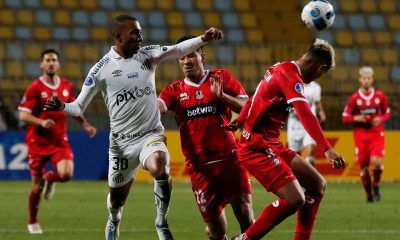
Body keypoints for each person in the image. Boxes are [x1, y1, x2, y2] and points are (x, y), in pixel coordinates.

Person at [44, 15, 223, 240]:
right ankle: (114, 219)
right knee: (117, 200)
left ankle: (160, 221)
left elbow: (178, 49)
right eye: (135, 33)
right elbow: (78, 107)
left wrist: (203, 38)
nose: (140, 37)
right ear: (118, 37)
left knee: (161, 167)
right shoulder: (101, 69)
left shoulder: (148, 55)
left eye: (140, 32)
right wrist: (62, 106)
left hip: (150, 134)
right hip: (121, 144)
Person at [225, 39, 346, 240]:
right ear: (320, 68)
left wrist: (241, 119)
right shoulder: (290, 77)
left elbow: (256, 98)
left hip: (271, 144)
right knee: (295, 198)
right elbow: (306, 113)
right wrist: (327, 149)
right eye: (322, 74)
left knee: (317, 185)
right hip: (256, 147)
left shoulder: (279, 66)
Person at [158, 35, 254, 240]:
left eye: (190, 55)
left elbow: (248, 109)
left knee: (246, 216)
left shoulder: (222, 77)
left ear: (202, 55)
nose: (186, 62)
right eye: (181, 58)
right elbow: (158, 107)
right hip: (200, 168)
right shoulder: (173, 91)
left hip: (231, 160)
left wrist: (222, 97)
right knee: (216, 231)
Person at [18, 49, 97, 234]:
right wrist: (41, 121)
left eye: (54, 60)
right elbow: (23, 115)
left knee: (67, 174)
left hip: (59, 140)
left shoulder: (67, 86)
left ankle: (50, 178)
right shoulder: (35, 88)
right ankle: (33, 221)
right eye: (48, 60)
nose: (51, 63)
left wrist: (85, 124)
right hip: (37, 142)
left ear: (58, 64)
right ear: (42, 64)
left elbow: (72, 108)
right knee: (36, 187)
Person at [342, 66, 390, 203]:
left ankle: (376, 185)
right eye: (364, 78)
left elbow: (387, 112)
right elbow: (345, 116)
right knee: (363, 167)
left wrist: (381, 119)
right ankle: (369, 195)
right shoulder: (354, 98)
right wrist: (356, 118)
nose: (367, 80)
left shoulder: (380, 96)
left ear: (372, 79)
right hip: (361, 135)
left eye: (369, 78)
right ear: (360, 80)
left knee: (377, 163)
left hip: (376, 133)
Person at [287, 81, 326, 166]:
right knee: (295, 157)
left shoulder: (316, 87)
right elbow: (287, 103)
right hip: (294, 126)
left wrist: (321, 112)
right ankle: (300, 176)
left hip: (309, 123)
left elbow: (317, 102)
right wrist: (293, 111)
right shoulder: (292, 84)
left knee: (310, 157)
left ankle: (312, 177)